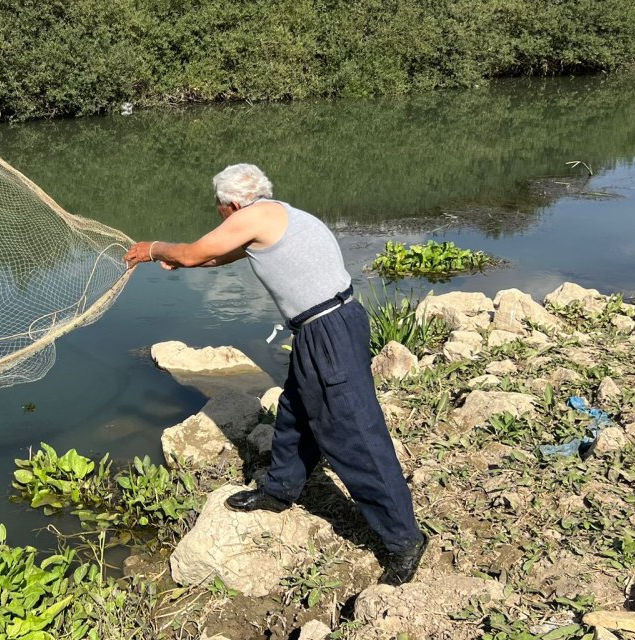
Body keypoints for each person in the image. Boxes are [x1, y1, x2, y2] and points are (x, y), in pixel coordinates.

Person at [122, 164, 427, 585]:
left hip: (327, 332)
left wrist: (154, 249)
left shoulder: (251, 217)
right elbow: (214, 256)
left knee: (355, 433)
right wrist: (183, 261)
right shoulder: (277, 214)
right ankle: (279, 490)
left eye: (218, 208)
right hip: (330, 324)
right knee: (296, 411)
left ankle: (404, 539)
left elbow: (193, 251)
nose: (219, 215)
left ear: (231, 205)